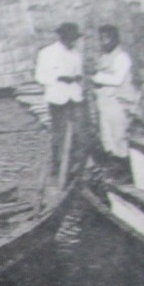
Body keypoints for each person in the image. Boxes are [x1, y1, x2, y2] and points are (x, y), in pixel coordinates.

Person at [35, 22, 85, 182]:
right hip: (58, 98)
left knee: (78, 133)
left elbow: (79, 74)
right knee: (60, 134)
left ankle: (76, 167)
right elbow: (40, 77)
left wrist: (77, 79)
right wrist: (58, 77)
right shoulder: (47, 53)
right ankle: (58, 167)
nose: (72, 42)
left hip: (74, 97)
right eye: (69, 39)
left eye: (74, 39)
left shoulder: (76, 54)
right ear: (62, 37)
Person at [91, 24, 137, 167]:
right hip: (105, 102)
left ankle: (126, 168)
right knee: (108, 137)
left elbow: (117, 80)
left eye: (105, 39)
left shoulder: (122, 57)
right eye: (100, 39)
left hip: (118, 102)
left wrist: (98, 77)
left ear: (114, 39)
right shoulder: (105, 57)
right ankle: (115, 166)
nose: (102, 42)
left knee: (119, 136)